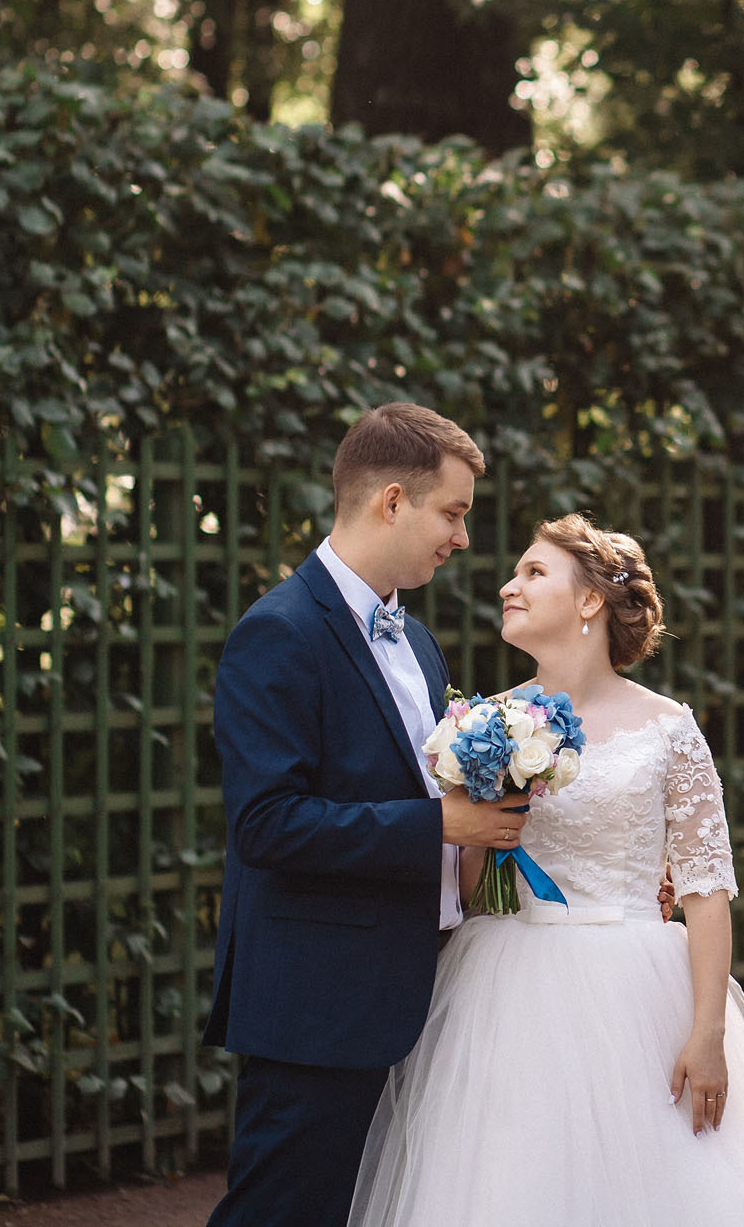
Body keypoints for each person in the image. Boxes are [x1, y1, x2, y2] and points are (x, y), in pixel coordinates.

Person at [346, 514, 744, 1227]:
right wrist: (489, 803)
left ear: (589, 603)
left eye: (533, 573)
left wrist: (708, 1034)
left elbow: (705, 892)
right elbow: (468, 889)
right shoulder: (488, 722)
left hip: (636, 988)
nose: (508, 586)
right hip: (506, 988)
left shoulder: (669, 729)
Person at [201, 404, 534, 1226]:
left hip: (417, 990)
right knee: (282, 1213)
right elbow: (267, 825)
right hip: (316, 1001)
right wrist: (442, 828)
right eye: (452, 513)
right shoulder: (275, 633)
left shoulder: (417, 643)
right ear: (392, 500)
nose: (461, 537)